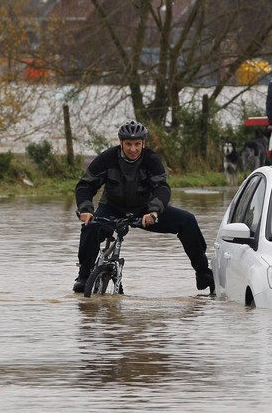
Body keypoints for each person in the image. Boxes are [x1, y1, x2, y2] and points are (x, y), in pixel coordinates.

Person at [72, 120, 214, 294]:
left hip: (145, 211)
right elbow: (85, 185)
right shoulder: (106, 158)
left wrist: (154, 211)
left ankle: (202, 272)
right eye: (129, 144)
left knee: (187, 220)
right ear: (121, 143)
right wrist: (86, 209)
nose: (133, 149)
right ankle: (84, 275)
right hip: (111, 209)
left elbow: (161, 188)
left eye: (137, 144)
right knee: (90, 227)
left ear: (143, 144)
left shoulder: (151, 160)